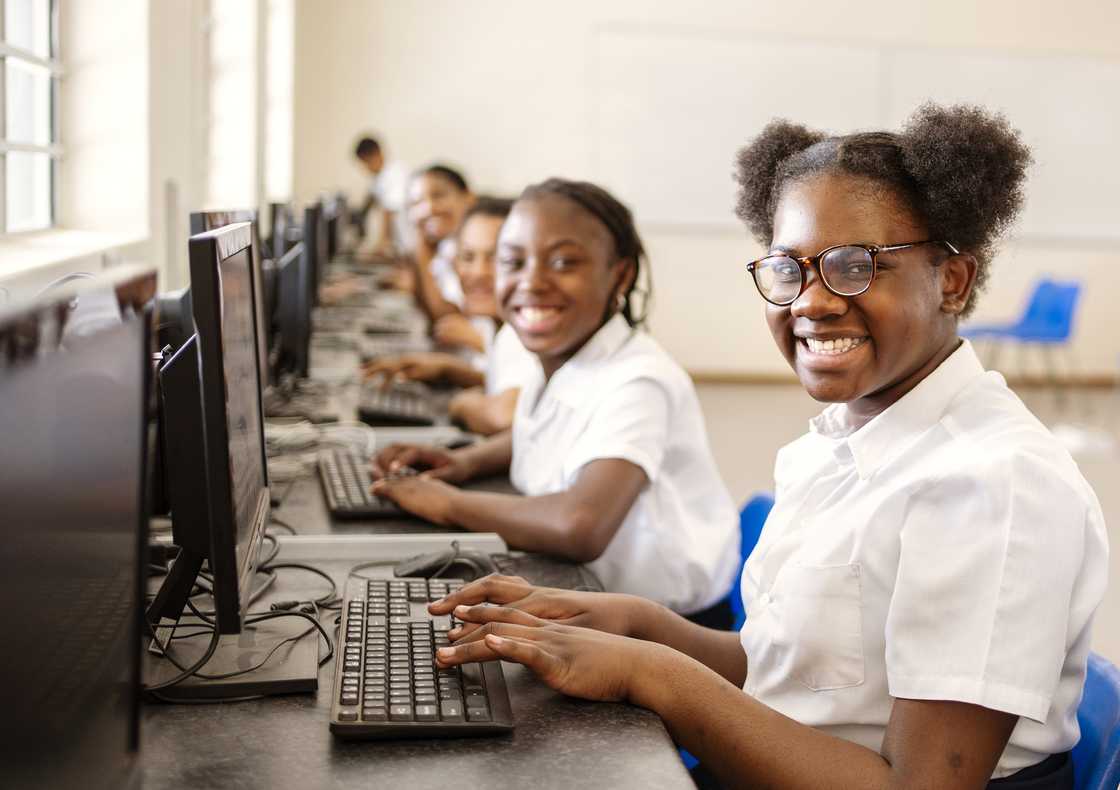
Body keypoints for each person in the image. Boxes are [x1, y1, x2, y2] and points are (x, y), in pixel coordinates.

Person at [424, 105, 1109, 789]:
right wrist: (634, 622)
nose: (810, 301)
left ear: (952, 280)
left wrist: (648, 671)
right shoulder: (840, 441)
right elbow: (794, 677)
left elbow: (917, 785)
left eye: (853, 265)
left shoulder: (993, 483)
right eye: (789, 268)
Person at [370, 178, 740, 621]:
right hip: (590, 593)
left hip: (667, 626)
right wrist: (465, 462)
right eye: (514, 261)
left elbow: (579, 525)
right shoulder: (561, 356)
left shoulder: (639, 380)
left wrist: (447, 502)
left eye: (563, 262)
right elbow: (551, 427)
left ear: (619, 274)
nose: (532, 281)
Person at [361, 196, 534, 434]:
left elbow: (502, 416)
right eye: (468, 257)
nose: (478, 272)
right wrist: (449, 369)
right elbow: (517, 387)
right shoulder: (497, 324)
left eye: (496, 258)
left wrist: (461, 405)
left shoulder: (521, 331)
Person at [405, 164, 477, 325]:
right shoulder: (446, 248)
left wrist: (421, 248)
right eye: (416, 202)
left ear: (469, 198)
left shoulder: (479, 250)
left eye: (438, 196)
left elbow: (446, 319)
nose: (428, 208)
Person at [352, 135, 409, 254]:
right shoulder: (380, 176)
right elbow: (370, 198)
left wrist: (381, 245)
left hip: (407, 243)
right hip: (400, 244)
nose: (366, 169)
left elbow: (389, 210)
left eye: (367, 163)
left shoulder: (395, 174)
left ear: (376, 154)